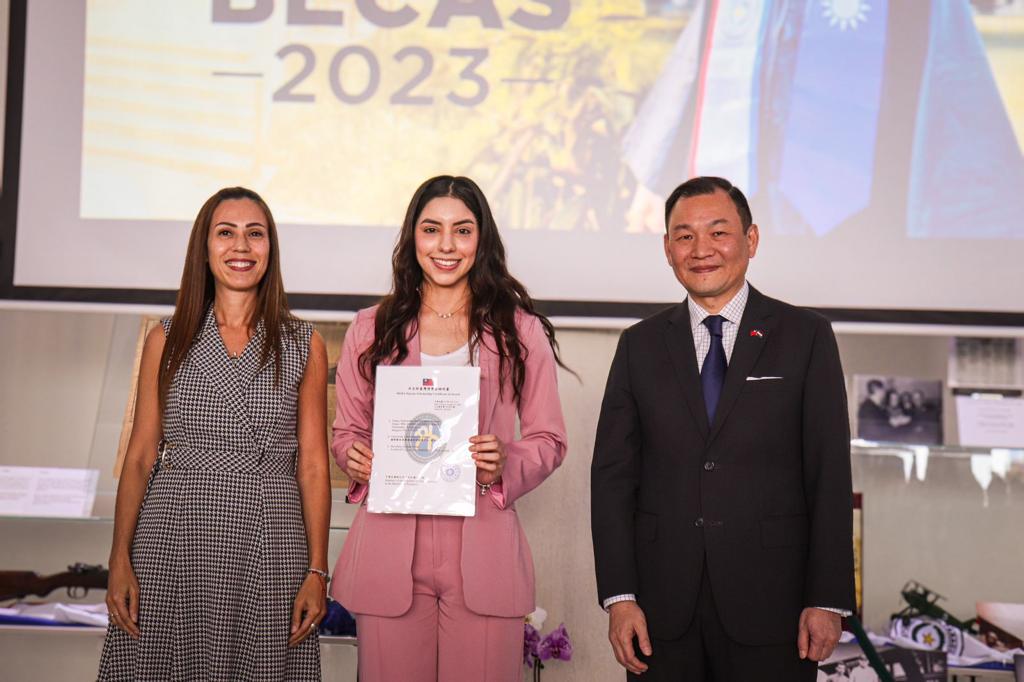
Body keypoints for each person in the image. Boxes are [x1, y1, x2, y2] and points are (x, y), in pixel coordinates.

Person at [591, 176, 855, 681]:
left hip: (775, 605)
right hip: (661, 610)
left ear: (750, 240)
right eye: (684, 236)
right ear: (667, 249)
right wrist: (620, 597)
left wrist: (827, 598)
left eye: (718, 232)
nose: (701, 249)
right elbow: (612, 479)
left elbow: (829, 474)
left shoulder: (806, 337)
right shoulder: (639, 345)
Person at [330, 175, 569, 682]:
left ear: (481, 239)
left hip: (483, 545)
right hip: (390, 543)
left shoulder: (519, 330)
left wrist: (506, 460)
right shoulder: (370, 328)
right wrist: (354, 455)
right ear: (412, 236)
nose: (445, 245)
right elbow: (346, 432)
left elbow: (549, 440)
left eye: (462, 230)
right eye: (431, 229)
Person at [98, 187, 330, 681]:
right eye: (226, 233)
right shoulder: (166, 337)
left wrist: (317, 569)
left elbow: (313, 464)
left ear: (271, 248)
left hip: (271, 535)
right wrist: (118, 558)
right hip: (173, 531)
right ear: (204, 248)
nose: (241, 246)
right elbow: (140, 456)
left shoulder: (303, 343)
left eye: (255, 234)